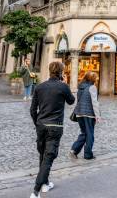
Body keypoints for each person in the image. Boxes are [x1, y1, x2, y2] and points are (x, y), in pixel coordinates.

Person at [30, 61, 75, 198]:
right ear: (61, 72)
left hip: (41, 125)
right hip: (55, 126)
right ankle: (36, 191)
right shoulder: (63, 87)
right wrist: (66, 83)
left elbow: (32, 110)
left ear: (49, 71)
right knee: (48, 157)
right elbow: (72, 101)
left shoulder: (40, 87)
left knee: (43, 155)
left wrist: (37, 122)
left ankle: (45, 183)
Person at [71, 71, 100, 160]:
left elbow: (79, 100)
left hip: (79, 113)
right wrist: (98, 115)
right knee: (90, 134)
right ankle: (88, 154)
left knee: (84, 133)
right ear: (93, 79)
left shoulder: (81, 87)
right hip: (89, 114)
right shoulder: (92, 87)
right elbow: (94, 103)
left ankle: (74, 150)